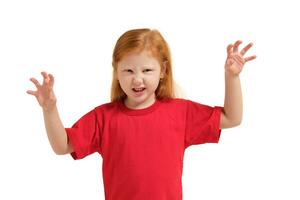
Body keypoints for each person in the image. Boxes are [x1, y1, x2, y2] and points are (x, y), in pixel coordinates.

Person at [27, 28, 256, 200]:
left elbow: (231, 118)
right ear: (116, 72)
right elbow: (62, 146)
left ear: (163, 71)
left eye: (147, 70)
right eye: (128, 70)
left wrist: (232, 77)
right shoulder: (103, 118)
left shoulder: (180, 112)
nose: (137, 79)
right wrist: (49, 110)